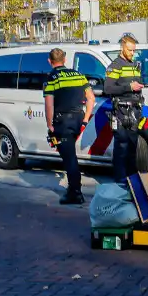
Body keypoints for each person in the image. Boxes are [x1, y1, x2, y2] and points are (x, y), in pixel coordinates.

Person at [43, 48, 95, 205]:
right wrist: (85, 119)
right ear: (65, 60)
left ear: (49, 61)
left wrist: (49, 125)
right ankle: (74, 190)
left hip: (62, 121)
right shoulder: (78, 75)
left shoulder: (51, 77)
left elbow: (49, 104)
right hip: (78, 119)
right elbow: (91, 98)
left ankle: (75, 193)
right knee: (70, 155)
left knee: (70, 158)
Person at [103, 33, 146, 183]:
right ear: (122, 48)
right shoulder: (115, 66)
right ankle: (120, 181)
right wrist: (129, 86)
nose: (132, 53)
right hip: (121, 111)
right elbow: (108, 88)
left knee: (132, 148)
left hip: (134, 111)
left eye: (134, 50)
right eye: (129, 50)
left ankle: (133, 181)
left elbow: (137, 87)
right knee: (121, 148)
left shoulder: (135, 65)